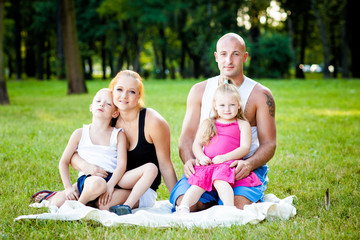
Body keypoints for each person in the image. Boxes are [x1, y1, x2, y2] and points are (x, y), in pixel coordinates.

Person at [32, 70, 178, 214]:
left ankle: (84, 201)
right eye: (119, 89)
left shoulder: (153, 121)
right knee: (60, 201)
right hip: (103, 180)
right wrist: (88, 168)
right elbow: (76, 154)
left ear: (139, 95)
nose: (124, 96)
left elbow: (165, 166)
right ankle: (61, 196)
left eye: (132, 92)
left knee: (104, 206)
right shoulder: (108, 116)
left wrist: (177, 202)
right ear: (112, 92)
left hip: (138, 187)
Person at [169, 32, 276, 211]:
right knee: (185, 202)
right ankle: (213, 198)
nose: (229, 60)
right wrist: (190, 161)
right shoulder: (199, 90)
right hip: (206, 166)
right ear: (216, 57)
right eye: (224, 54)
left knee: (239, 206)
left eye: (236, 54)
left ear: (245, 57)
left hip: (239, 166)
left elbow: (269, 144)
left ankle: (237, 196)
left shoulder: (261, 94)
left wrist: (249, 164)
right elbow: (187, 138)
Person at [176, 83, 262, 214]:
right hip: (209, 164)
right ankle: (184, 207)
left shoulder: (242, 124)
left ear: (238, 105)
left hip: (228, 164)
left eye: (232, 105)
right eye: (222, 105)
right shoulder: (209, 123)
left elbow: (245, 147)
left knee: (220, 180)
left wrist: (225, 157)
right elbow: (196, 145)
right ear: (215, 105)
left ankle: (228, 209)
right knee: (197, 184)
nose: (227, 109)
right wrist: (201, 157)